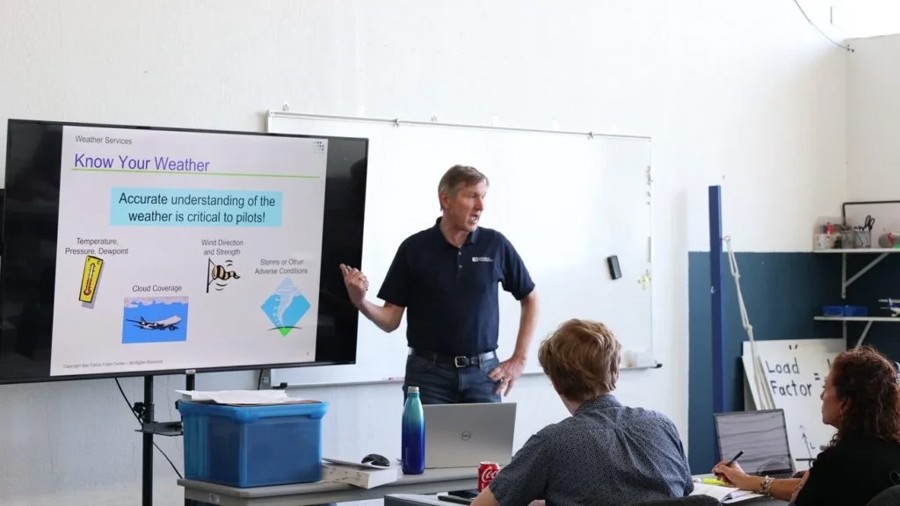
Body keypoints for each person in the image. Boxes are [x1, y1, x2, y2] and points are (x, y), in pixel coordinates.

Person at [340, 164, 539, 404]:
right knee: (424, 432)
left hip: (484, 374)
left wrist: (519, 359)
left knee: (486, 432)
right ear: (445, 199)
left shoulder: (495, 244)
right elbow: (390, 320)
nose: (480, 206)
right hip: (428, 376)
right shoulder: (414, 249)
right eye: (471, 196)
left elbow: (530, 298)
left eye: (483, 196)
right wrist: (360, 301)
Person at [472, 319, 694, 506]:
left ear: (556, 383)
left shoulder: (552, 443)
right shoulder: (661, 426)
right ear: (615, 371)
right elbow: (683, 492)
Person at [713, 346, 900, 505]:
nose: (821, 396)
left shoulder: (837, 462)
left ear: (845, 403)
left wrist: (810, 483)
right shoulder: (891, 451)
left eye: (825, 388)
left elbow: (808, 494)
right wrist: (748, 480)